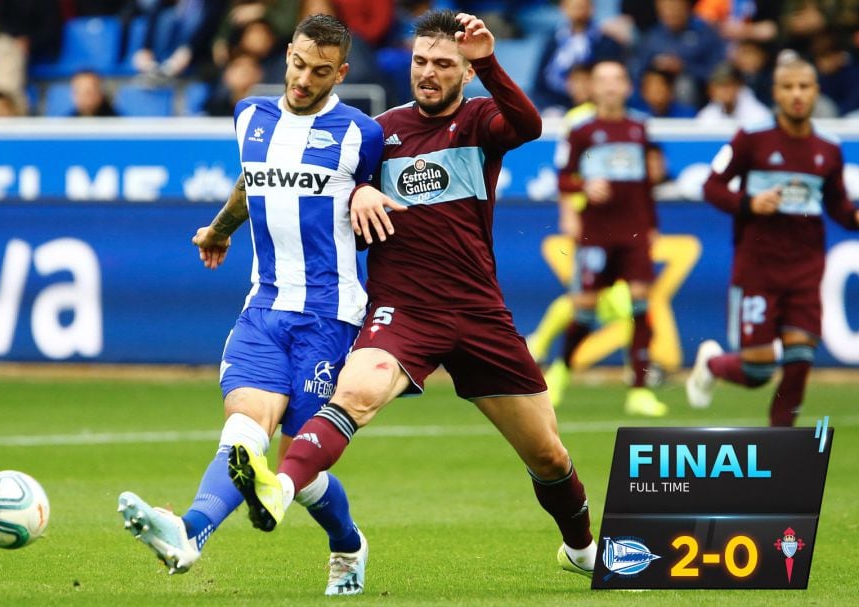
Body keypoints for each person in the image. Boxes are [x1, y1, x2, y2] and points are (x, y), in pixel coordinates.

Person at [228, 9, 600, 581]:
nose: (428, 72)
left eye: (444, 64)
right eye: (421, 61)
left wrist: (490, 60)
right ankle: (281, 488)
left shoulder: (480, 123)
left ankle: (581, 551)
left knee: (547, 454)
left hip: (479, 311)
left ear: (466, 72)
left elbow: (529, 125)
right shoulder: (379, 133)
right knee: (355, 393)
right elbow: (334, 184)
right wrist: (356, 194)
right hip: (402, 309)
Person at [117, 14, 384, 596]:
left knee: (299, 469)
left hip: (330, 318)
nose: (303, 80)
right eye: (297, 65)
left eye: (320, 72)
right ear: (286, 54)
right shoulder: (249, 116)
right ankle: (187, 534)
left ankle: (348, 541)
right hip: (263, 309)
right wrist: (220, 230)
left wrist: (366, 190)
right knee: (244, 434)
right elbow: (250, 183)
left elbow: (376, 199)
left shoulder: (363, 134)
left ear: (340, 73)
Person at [688, 55, 859, 426]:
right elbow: (712, 186)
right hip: (758, 270)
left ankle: (780, 455)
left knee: (799, 363)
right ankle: (714, 364)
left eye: (804, 86)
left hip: (805, 270)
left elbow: (840, 208)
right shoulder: (752, 138)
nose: (797, 94)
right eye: (788, 87)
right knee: (758, 371)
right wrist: (750, 202)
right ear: (775, 92)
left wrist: (854, 217)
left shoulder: (828, 148)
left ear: (816, 91)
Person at [545, 60, 668, 417]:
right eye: (603, 81)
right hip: (596, 232)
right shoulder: (582, 131)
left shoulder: (640, 128)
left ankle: (639, 390)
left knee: (642, 305)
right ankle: (561, 372)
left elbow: (649, 183)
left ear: (628, 87)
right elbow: (564, 178)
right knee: (584, 310)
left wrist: (652, 224)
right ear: (592, 89)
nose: (611, 87)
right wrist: (585, 185)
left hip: (634, 232)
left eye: (618, 79)